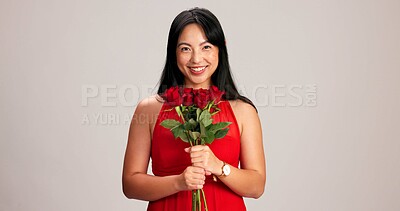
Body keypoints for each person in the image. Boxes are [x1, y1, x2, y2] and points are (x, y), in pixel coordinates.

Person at [122, 7, 266, 210]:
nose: (196, 59)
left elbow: (257, 186)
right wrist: (178, 182)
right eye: (185, 49)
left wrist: (218, 166)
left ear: (220, 49)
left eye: (206, 47)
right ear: (174, 53)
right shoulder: (148, 110)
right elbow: (130, 184)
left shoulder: (243, 111)